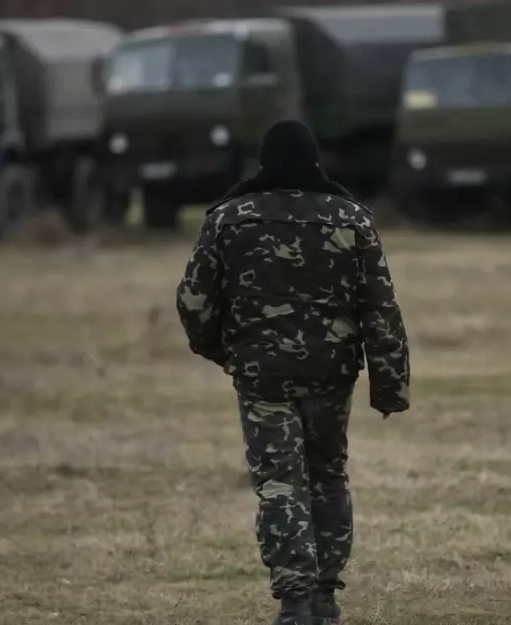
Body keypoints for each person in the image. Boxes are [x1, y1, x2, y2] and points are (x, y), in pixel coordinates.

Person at [175, 120, 411, 625]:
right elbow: (381, 310)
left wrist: (223, 352)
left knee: (279, 482)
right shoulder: (352, 219)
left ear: (263, 164)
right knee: (327, 475)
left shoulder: (227, 220)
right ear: (316, 162)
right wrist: (388, 388)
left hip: (261, 379)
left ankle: (295, 602)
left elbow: (194, 301)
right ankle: (325, 596)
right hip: (331, 375)